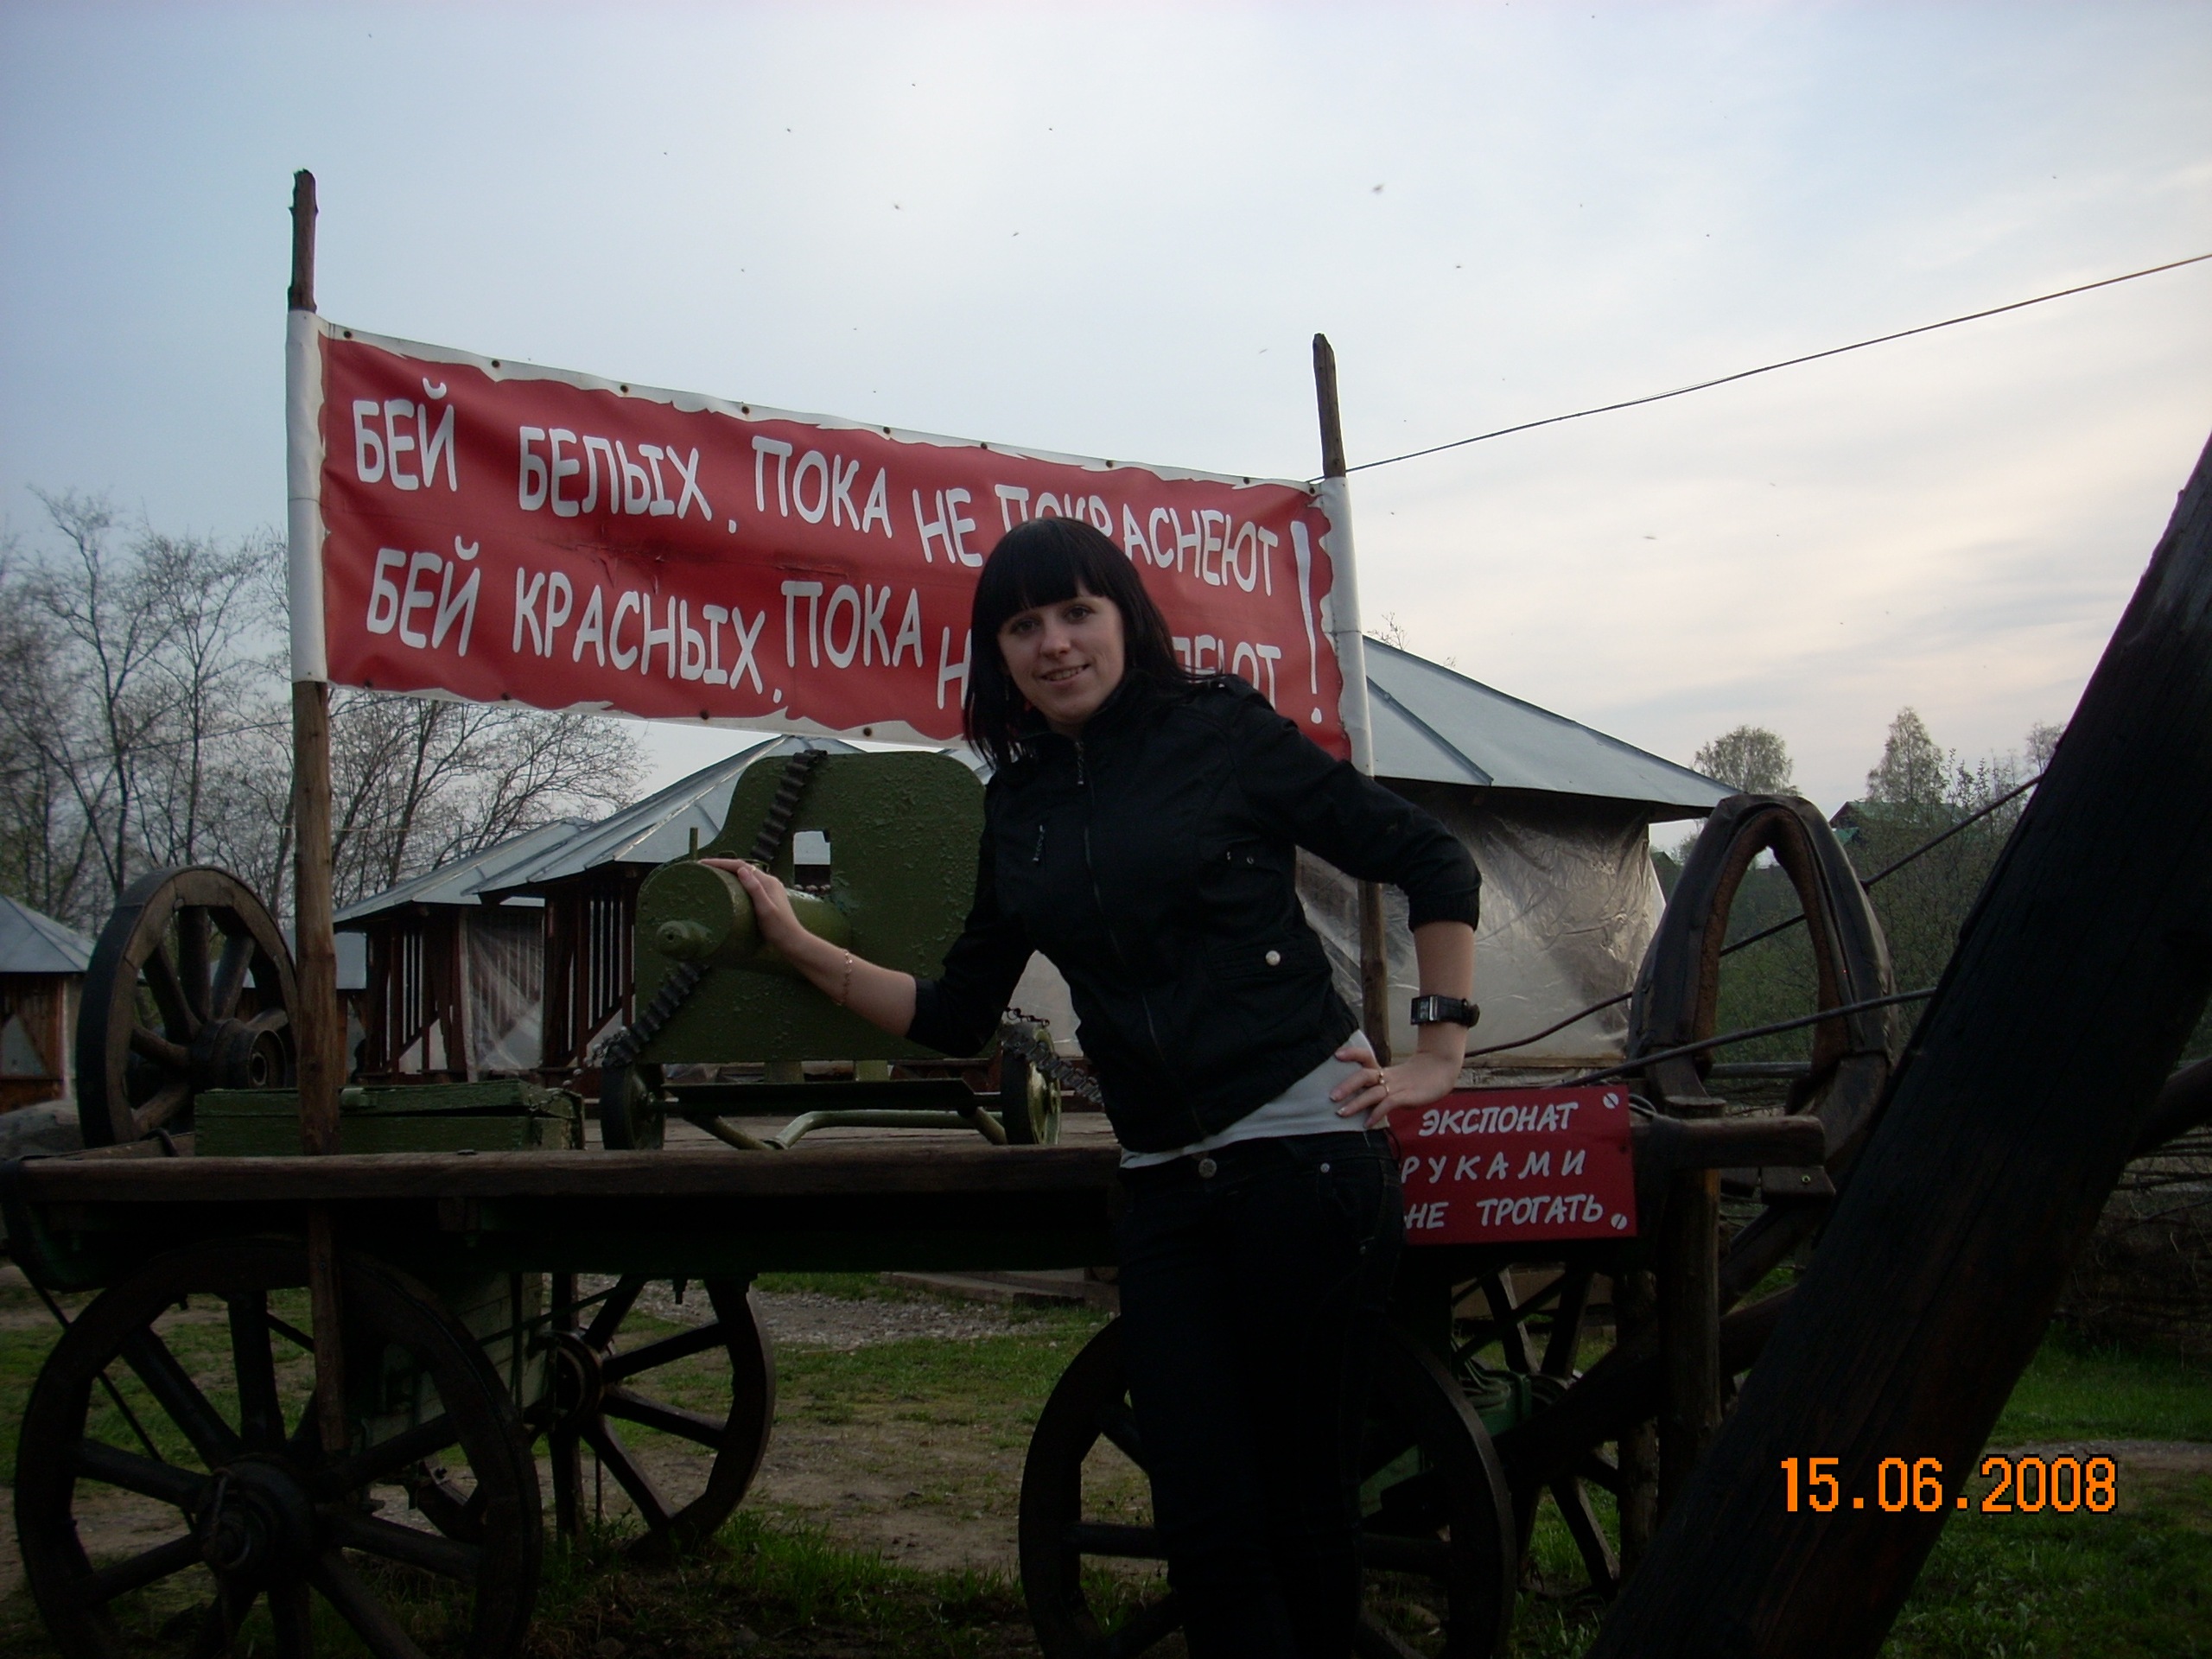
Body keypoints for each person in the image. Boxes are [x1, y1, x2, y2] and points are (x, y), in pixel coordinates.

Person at [711, 517, 1479, 1657]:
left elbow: (1431, 859)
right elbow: (958, 1014)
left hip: (1305, 1161)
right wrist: (795, 944)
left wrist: (1439, 1053)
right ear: (999, 653)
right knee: (1205, 1520)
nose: (1056, 643)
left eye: (1078, 611)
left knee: (1305, 1506)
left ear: (1127, 619)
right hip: (1165, 1186)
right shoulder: (1016, 805)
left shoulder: (1219, 732)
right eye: (1024, 625)